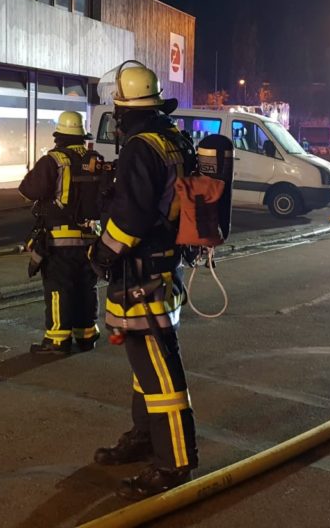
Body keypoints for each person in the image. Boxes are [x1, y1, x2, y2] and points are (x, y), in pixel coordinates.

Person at [89, 61, 198, 501]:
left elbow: (131, 218)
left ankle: (174, 461)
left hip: (143, 271)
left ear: (122, 106)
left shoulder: (140, 147)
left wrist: (101, 253)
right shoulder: (170, 137)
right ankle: (145, 436)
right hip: (164, 266)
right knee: (145, 363)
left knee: (160, 368)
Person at [18, 111, 100, 353]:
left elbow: (28, 190)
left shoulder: (53, 160)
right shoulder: (95, 159)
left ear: (59, 136)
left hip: (58, 239)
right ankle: (86, 334)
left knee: (58, 288)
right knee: (86, 287)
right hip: (90, 238)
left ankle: (57, 339)